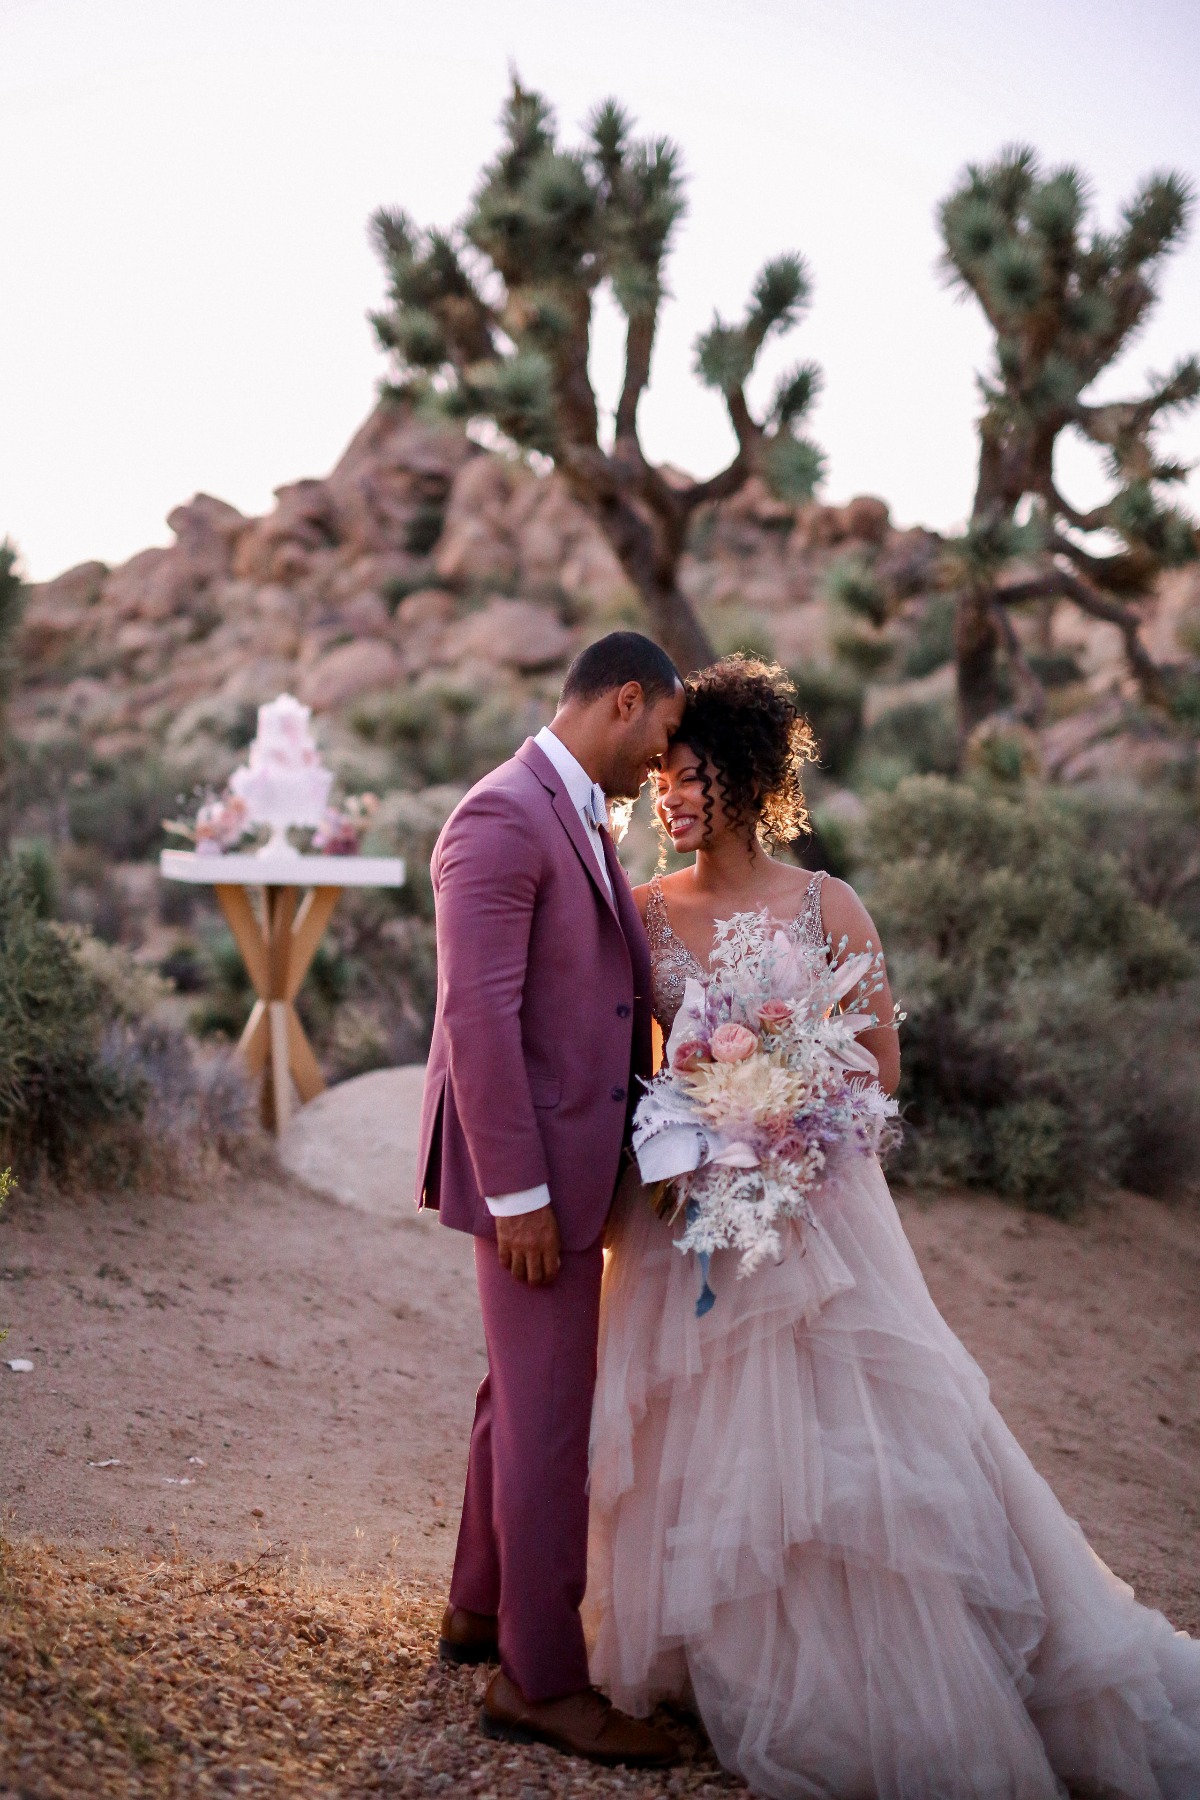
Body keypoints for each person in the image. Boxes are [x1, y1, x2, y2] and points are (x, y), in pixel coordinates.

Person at [585, 655, 1200, 1800]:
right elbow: (638, 1072)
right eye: (661, 775)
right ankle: (718, 1664)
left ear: (751, 776)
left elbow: (878, 1075)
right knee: (707, 1448)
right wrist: (709, 1125)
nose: (668, 794)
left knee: (855, 1457)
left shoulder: (828, 904)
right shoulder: (644, 915)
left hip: (820, 1222)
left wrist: (787, 1110)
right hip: (697, 1226)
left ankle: (884, 1678)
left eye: (691, 773)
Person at [415, 630, 685, 1768]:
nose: (661, 767)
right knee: (550, 1418)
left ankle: (479, 1613)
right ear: (625, 701)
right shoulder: (499, 816)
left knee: (514, 1396)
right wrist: (521, 1193)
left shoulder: (569, 807)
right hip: (530, 1172)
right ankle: (542, 1681)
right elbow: (477, 1021)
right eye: (661, 737)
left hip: (571, 1160)